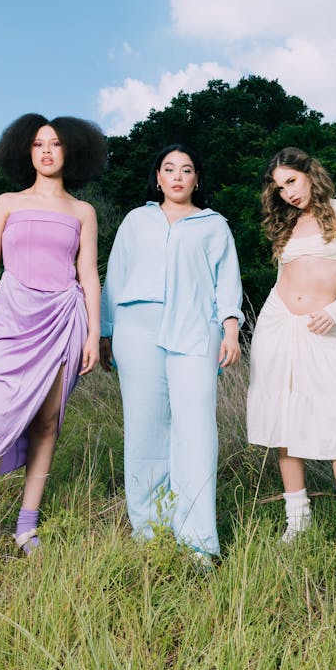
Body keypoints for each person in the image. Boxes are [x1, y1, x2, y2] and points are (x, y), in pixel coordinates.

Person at [0, 114, 106, 570]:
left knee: (47, 423)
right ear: (26, 150)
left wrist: (94, 336)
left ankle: (27, 524)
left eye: (56, 144)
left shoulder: (83, 212)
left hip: (64, 319)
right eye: (39, 144)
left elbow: (89, 276)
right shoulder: (6, 202)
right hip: (12, 320)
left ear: (70, 152)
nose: (46, 151)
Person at [100, 144, 243, 565]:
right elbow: (115, 275)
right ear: (158, 177)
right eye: (169, 169)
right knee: (144, 431)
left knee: (195, 430)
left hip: (196, 329)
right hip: (135, 329)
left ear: (197, 178)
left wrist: (230, 327)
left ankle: (199, 541)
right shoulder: (136, 220)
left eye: (186, 169)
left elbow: (226, 281)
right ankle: (150, 532)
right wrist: (106, 333)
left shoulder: (213, 225)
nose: (178, 176)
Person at [246, 147, 336, 578]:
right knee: (285, 417)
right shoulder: (287, 224)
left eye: (292, 181)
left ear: (310, 174)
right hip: (276, 323)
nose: (287, 193)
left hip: (321, 326)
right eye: (278, 187)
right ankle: (297, 522)